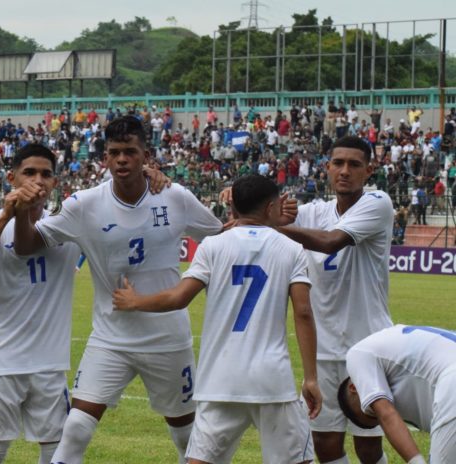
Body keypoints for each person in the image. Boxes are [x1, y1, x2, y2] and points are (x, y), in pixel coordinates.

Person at [13, 116, 225, 464]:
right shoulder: (84, 204)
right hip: (110, 337)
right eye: (115, 152)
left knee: (187, 434)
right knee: (76, 427)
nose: (122, 159)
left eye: (130, 151)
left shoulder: (175, 197)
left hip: (168, 338)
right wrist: (21, 214)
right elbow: (27, 245)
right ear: (105, 159)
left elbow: (219, 237)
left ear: (146, 155)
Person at [113, 174, 320, 464]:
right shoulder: (291, 249)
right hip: (272, 379)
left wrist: (136, 301)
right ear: (272, 207)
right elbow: (303, 312)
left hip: (221, 377)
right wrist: (311, 377)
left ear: (233, 207)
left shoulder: (213, 246)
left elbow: (178, 298)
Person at [0, 144, 82, 464]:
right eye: (29, 172)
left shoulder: (68, 226)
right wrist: (5, 216)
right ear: (12, 177)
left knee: (56, 451)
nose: (38, 180)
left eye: (46, 174)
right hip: (0, 360)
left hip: (49, 364)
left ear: (56, 183)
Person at [278, 135, 395, 464]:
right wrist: (239, 195)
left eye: (354, 164)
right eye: (338, 163)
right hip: (324, 351)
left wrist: (273, 224)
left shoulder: (378, 203)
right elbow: (268, 210)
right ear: (327, 168)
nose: (344, 171)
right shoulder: (314, 211)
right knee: (326, 447)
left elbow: (331, 241)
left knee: (368, 446)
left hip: (368, 346)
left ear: (368, 170)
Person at [338, 325, 456, 464]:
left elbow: (386, 414)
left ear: (354, 388)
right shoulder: (396, 342)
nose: (377, 410)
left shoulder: (358, 354)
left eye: (371, 410)